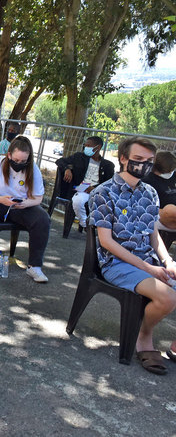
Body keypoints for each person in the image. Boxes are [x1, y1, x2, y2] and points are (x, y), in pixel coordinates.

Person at [89, 137, 176, 375]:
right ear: (123, 159)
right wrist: (151, 270)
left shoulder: (149, 192)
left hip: (148, 260)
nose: (144, 165)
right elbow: (106, 241)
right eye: (138, 160)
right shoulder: (103, 192)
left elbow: (153, 234)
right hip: (116, 263)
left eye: (149, 161)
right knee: (167, 298)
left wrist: (168, 261)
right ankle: (144, 337)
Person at [0, 136, 50, 282]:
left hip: (21, 207)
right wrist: (1, 199)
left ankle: (35, 266)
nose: (19, 164)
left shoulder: (33, 169)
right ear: (9, 155)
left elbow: (38, 197)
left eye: (23, 161)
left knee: (43, 218)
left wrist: (26, 203)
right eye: (16, 160)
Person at [55, 136, 114, 229]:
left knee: (106, 204)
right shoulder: (79, 157)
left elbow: (109, 183)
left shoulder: (108, 165)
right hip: (81, 191)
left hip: (97, 192)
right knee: (78, 201)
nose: (86, 148)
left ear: (98, 147)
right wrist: (67, 169)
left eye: (89, 146)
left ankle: (101, 228)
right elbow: (60, 161)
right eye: (85, 145)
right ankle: (85, 225)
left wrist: (95, 189)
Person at [144, 151, 176, 232]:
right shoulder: (147, 180)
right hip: (161, 214)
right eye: (169, 171)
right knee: (170, 210)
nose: (170, 173)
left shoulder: (172, 176)